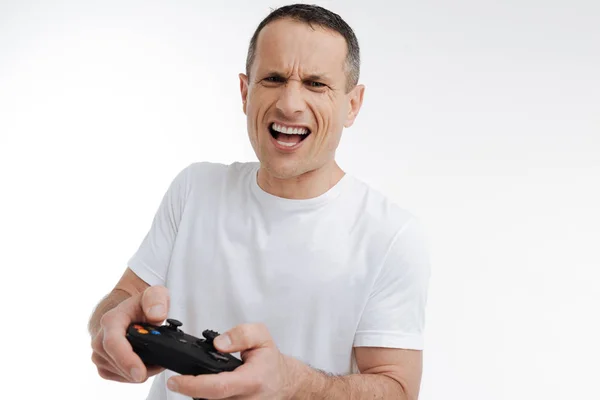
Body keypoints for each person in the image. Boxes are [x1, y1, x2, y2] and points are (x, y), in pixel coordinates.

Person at [88, 3, 431, 399]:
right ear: (245, 91)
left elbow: (398, 388)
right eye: (273, 78)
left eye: (316, 84)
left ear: (352, 104)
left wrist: (293, 382)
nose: (290, 104)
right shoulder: (194, 188)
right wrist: (109, 323)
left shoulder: (391, 234)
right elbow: (123, 297)